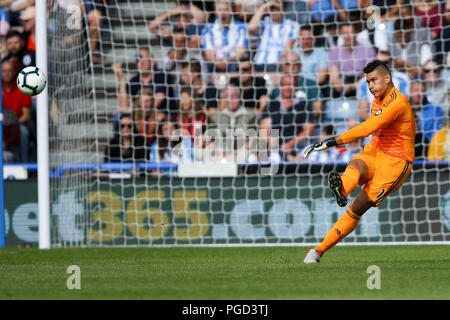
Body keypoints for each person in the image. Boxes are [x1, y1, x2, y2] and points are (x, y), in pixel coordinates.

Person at [303, 60, 416, 263]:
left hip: (395, 163)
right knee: (355, 165)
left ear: (387, 78)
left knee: (356, 207)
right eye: (368, 82)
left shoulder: (398, 103)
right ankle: (342, 189)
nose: (370, 86)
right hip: (376, 150)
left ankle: (317, 251)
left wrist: (329, 142)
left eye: (374, 80)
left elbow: (365, 129)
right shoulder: (377, 99)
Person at [261, 75, 315, 159]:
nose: (288, 87)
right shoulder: (271, 106)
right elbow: (264, 131)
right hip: (275, 148)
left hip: (298, 146)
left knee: (312, 154)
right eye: (285, 84)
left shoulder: (303, 106)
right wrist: (275, 145)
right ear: (280, 86)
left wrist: (290, 144)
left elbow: (309, 131)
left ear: (296, 87)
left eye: (291, 84)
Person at [357, 51, 410, 121]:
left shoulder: (402, 79)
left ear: (391, 62)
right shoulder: (364, 82)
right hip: (373, 122)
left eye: (385, 62)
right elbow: (362, 111)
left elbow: (403, 105)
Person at [248, 0, 299, 72]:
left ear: (284, 9)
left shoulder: (292, 25)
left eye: (277, 9)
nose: (274, 11)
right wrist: (264, 7)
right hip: (259, 63)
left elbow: (289, 46)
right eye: (272, 8)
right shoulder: (264, 23)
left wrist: (282, 61)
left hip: (278, 65)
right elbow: (251, 28)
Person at [328, 23, 376, 98]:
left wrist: (353, 86)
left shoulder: (368, 50)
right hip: (343, 81)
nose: (347, 36)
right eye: (344, 33)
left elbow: (368, 75)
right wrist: (337, 82)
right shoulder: (335, 52)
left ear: (356, 33)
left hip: (361, 81)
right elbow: (334, 74)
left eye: (350, 33)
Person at [201, 0, 249, 73]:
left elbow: (241, 53)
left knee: (238, 65)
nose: (223, 13)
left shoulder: (241, 27)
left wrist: (227, 60)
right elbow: (208, 54)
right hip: (215, 63)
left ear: (231, 10)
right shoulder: (207, 30)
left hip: (234, 62)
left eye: (226, 9)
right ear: (215, 12)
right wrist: (216, 61)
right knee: (207, 65)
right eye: (219, 10)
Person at [1, 60, 32, 162]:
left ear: (14, 72)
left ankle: (24, 165)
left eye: (9, 71)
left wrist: (11, 123)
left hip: (17, 123)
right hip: (3, 124)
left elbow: (26, 115)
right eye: (4, 71)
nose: (7, 74)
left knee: (22, 131)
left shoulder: (22, 88)